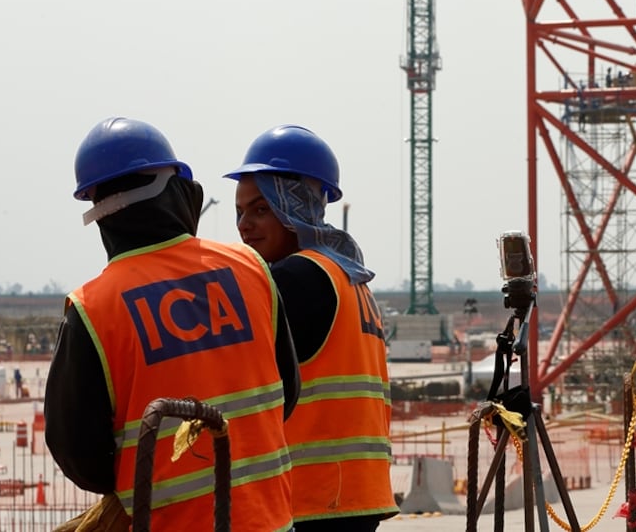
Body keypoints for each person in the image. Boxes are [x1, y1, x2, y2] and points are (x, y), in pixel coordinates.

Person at [45, 117, 300, 531]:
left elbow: (78, 454)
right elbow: (287, 393)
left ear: (100, 213)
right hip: (269, 521)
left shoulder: (93, 308)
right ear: (179, 191)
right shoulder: (250, 268)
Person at [227, 124, 397, 531]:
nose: (244, 225)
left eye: (261, 209)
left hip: (312, 496)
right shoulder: (349, 276)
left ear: (296, 207)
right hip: (356, 493)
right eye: (240, 212)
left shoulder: (296, 277)